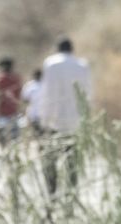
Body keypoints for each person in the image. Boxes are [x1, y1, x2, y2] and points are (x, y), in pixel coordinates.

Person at [39, 37, 92, 196]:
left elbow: (47, 93)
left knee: (50, 160)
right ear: (72, 49)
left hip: (55, 121)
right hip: (76, 121)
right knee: (72, 161)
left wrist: (44, 119)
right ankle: (71, 195)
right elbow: (88, 94)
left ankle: (52, 194)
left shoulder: (51, 64)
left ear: (58, 48)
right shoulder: (82, 65)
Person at [0, 58, 22, 146]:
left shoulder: (0, 79)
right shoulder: (16, 78)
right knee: (15, 137)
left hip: (3, 111)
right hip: (14, 110)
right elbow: (20, 94)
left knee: (3, 135)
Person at [21, 68, 43, 135]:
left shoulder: (46, 84)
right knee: (37, 131)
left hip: (45, 113)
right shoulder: (30, 86)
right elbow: (24, 98)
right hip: (34, 113)